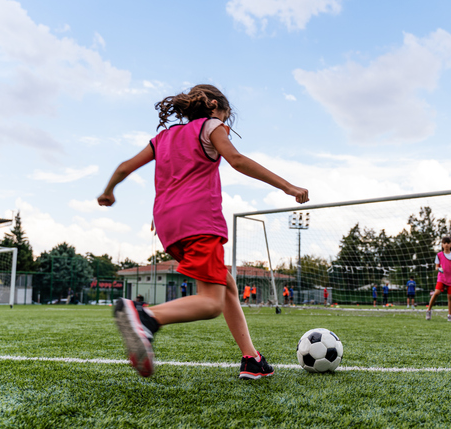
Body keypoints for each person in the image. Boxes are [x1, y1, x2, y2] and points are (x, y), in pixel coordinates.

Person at [98, 84, 308, 379]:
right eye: (225, 113)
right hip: (198, 220)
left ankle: (252, 359)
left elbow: (123, 167)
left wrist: (108, 192)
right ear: (213, 105)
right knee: (211, 302)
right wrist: (288, 186)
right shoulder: (211, 127)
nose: (225, 121)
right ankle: (146, 317)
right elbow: (237, 160)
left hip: (168, 225)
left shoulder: (163, 137)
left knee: (228, 286)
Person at [426, 236, 451, 322]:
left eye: (448, 243)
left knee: (450, 297)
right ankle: (429, 310)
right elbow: (436, 267)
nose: (446, 245)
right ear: (442, 244)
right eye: (444, 243)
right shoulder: (439, 255)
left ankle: (450, 315)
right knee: (437, 292)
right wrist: (439, 269)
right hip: (442, 277)